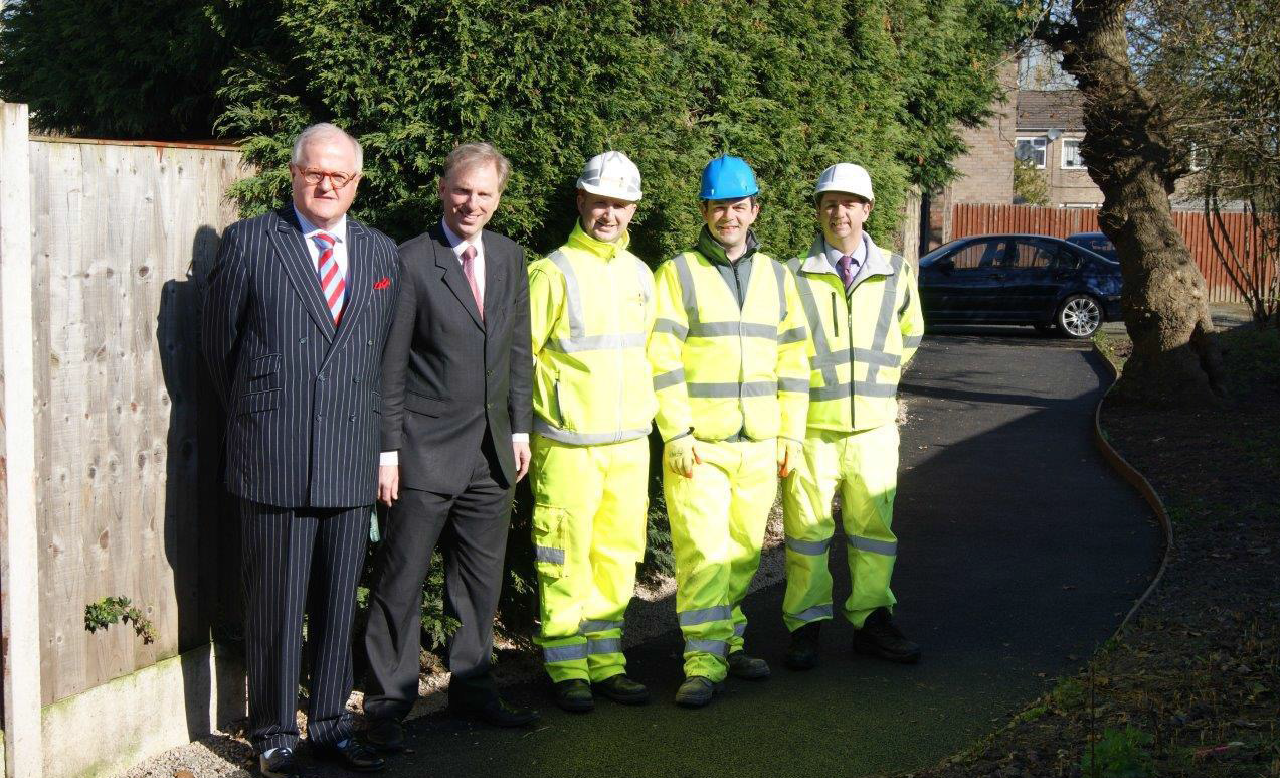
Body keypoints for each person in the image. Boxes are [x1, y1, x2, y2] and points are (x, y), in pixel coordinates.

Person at [202, 122, 393, 777]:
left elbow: (384, 359)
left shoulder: (380, 255)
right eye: (314, 171)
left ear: (357, 184)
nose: (326, 184)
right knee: (277, 606)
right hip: (273, 453)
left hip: (348, 453)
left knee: (339, 602)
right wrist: (264, 415)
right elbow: (218, 350)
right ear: (293, 174)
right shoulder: (252, 242)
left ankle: (333, 724)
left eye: (339, 175)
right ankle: (275, 731)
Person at [361, 142, 535, 752]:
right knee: (400, 581)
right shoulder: (411, 261)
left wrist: (519, 430)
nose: (472, 203)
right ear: (442, 188)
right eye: (463, 190)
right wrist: (387, 453)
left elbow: (517, 352)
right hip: (421, 453)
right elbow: (389, 368)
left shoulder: (512, 259)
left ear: (497, 199)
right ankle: (387, 706)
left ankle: (472, 686)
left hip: (492, 456)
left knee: (479, 583)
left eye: (485, 194)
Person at [648, 155, 809, 708]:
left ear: (754, 209)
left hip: (761, 444)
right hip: (701, 446)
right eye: (719, 206)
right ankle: (701, 663)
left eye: (738, 206)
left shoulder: (779, 276)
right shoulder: (679, 273)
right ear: (704, 210)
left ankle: (729, 641)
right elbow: (662, 358)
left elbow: (794, 358)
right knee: (702, 554)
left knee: (741, 554)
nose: (729, 216)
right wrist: (676, 431)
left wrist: (792, 433)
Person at [526, 151, 657, 713]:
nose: (609, 213)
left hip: (629, 446)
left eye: (619, 204)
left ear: (632, 210)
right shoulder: (551, 272)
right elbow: (522, 359)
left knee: (617, 556)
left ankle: (607, 663)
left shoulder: (639, 275)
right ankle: (566, 670)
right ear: (581, 201)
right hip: (568, 447)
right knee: (564, 557)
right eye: (600, 201)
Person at [781, 162, 924, 671]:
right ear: (818, 211)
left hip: (874, 429)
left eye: (849, 203)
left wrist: (875, 387)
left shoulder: (896, 271)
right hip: (813, 428)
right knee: (806, 534)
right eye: (829, 203)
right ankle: (806, 625)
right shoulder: (793, 276)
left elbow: (910, 335)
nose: (839, 212)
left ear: (867, 209)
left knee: (873, 532)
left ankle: (872, 621)